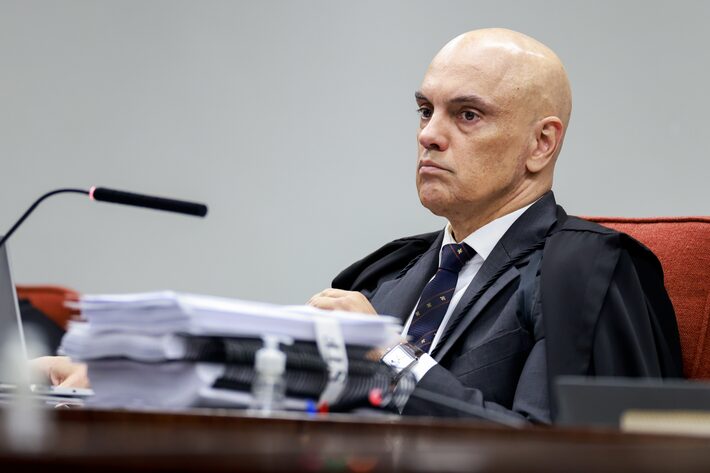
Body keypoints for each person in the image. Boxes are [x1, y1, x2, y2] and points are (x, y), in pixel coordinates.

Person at [307, 28, 683, 423]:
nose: (429, 135)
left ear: (541, 143)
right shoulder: (383, 275)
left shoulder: (589, 271)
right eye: (425, 111)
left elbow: (556, 446)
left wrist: (392, 356)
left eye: (467, 115)